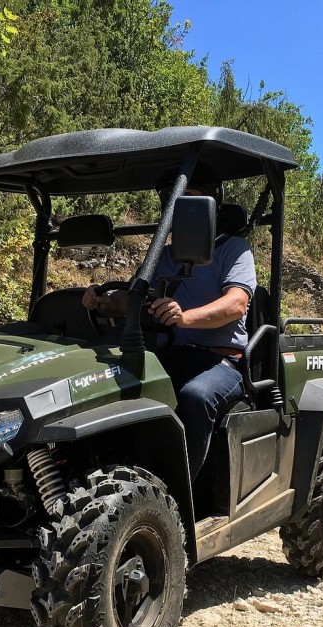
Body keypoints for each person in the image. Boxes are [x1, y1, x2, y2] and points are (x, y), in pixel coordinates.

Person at [82, 168, 255, 482]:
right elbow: (132, 300)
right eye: (172, 201)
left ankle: (179, 493)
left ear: (208, 207)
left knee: (196, 396)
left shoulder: (233, 249)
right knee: (113, 382)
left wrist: (185, 317)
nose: (178, 209)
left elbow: (236, 304)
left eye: (188, 201)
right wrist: (102, 301)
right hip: (172, 352)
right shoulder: (162, 255)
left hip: (222, 360)